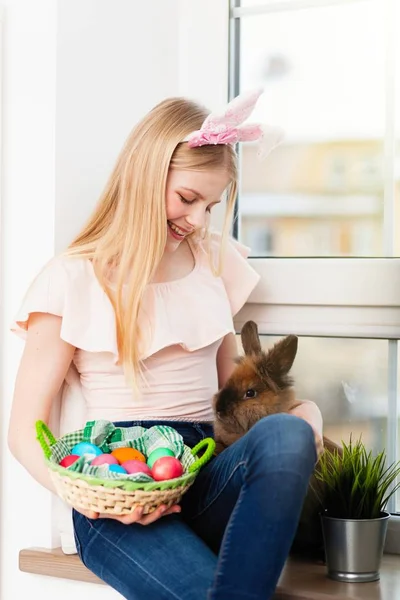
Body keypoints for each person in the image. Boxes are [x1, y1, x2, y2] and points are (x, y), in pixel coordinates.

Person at [8, 89, 323, 600]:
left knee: (287, 434)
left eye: (211, 205)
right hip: (121, 501)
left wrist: (305, 415)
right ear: (144, 176)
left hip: (203, 471)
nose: (198, 219)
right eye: (187, 199)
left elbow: (233, 395)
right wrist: (94, 499)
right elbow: (24, 431)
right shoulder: (72, 277)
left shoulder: (211, 267)